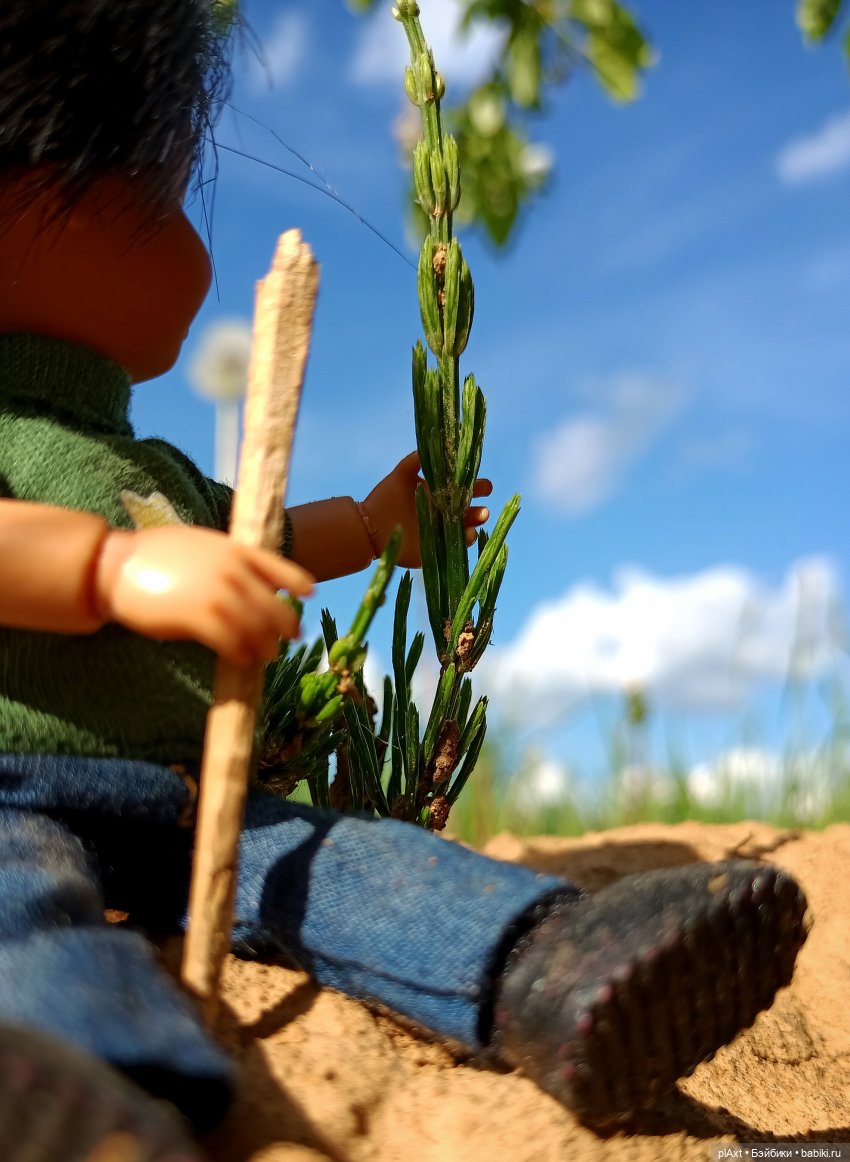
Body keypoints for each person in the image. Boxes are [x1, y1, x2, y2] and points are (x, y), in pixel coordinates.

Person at [0, 3, 809, 1159]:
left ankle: (553, 967)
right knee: (16, 913)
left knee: (345, 860)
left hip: (174, 798)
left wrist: (375, 525)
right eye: (168, 199)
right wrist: (111, 566)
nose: (196, 246)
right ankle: (86, 1092)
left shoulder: (141, 464)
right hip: (8, 790)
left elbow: (258, 527)